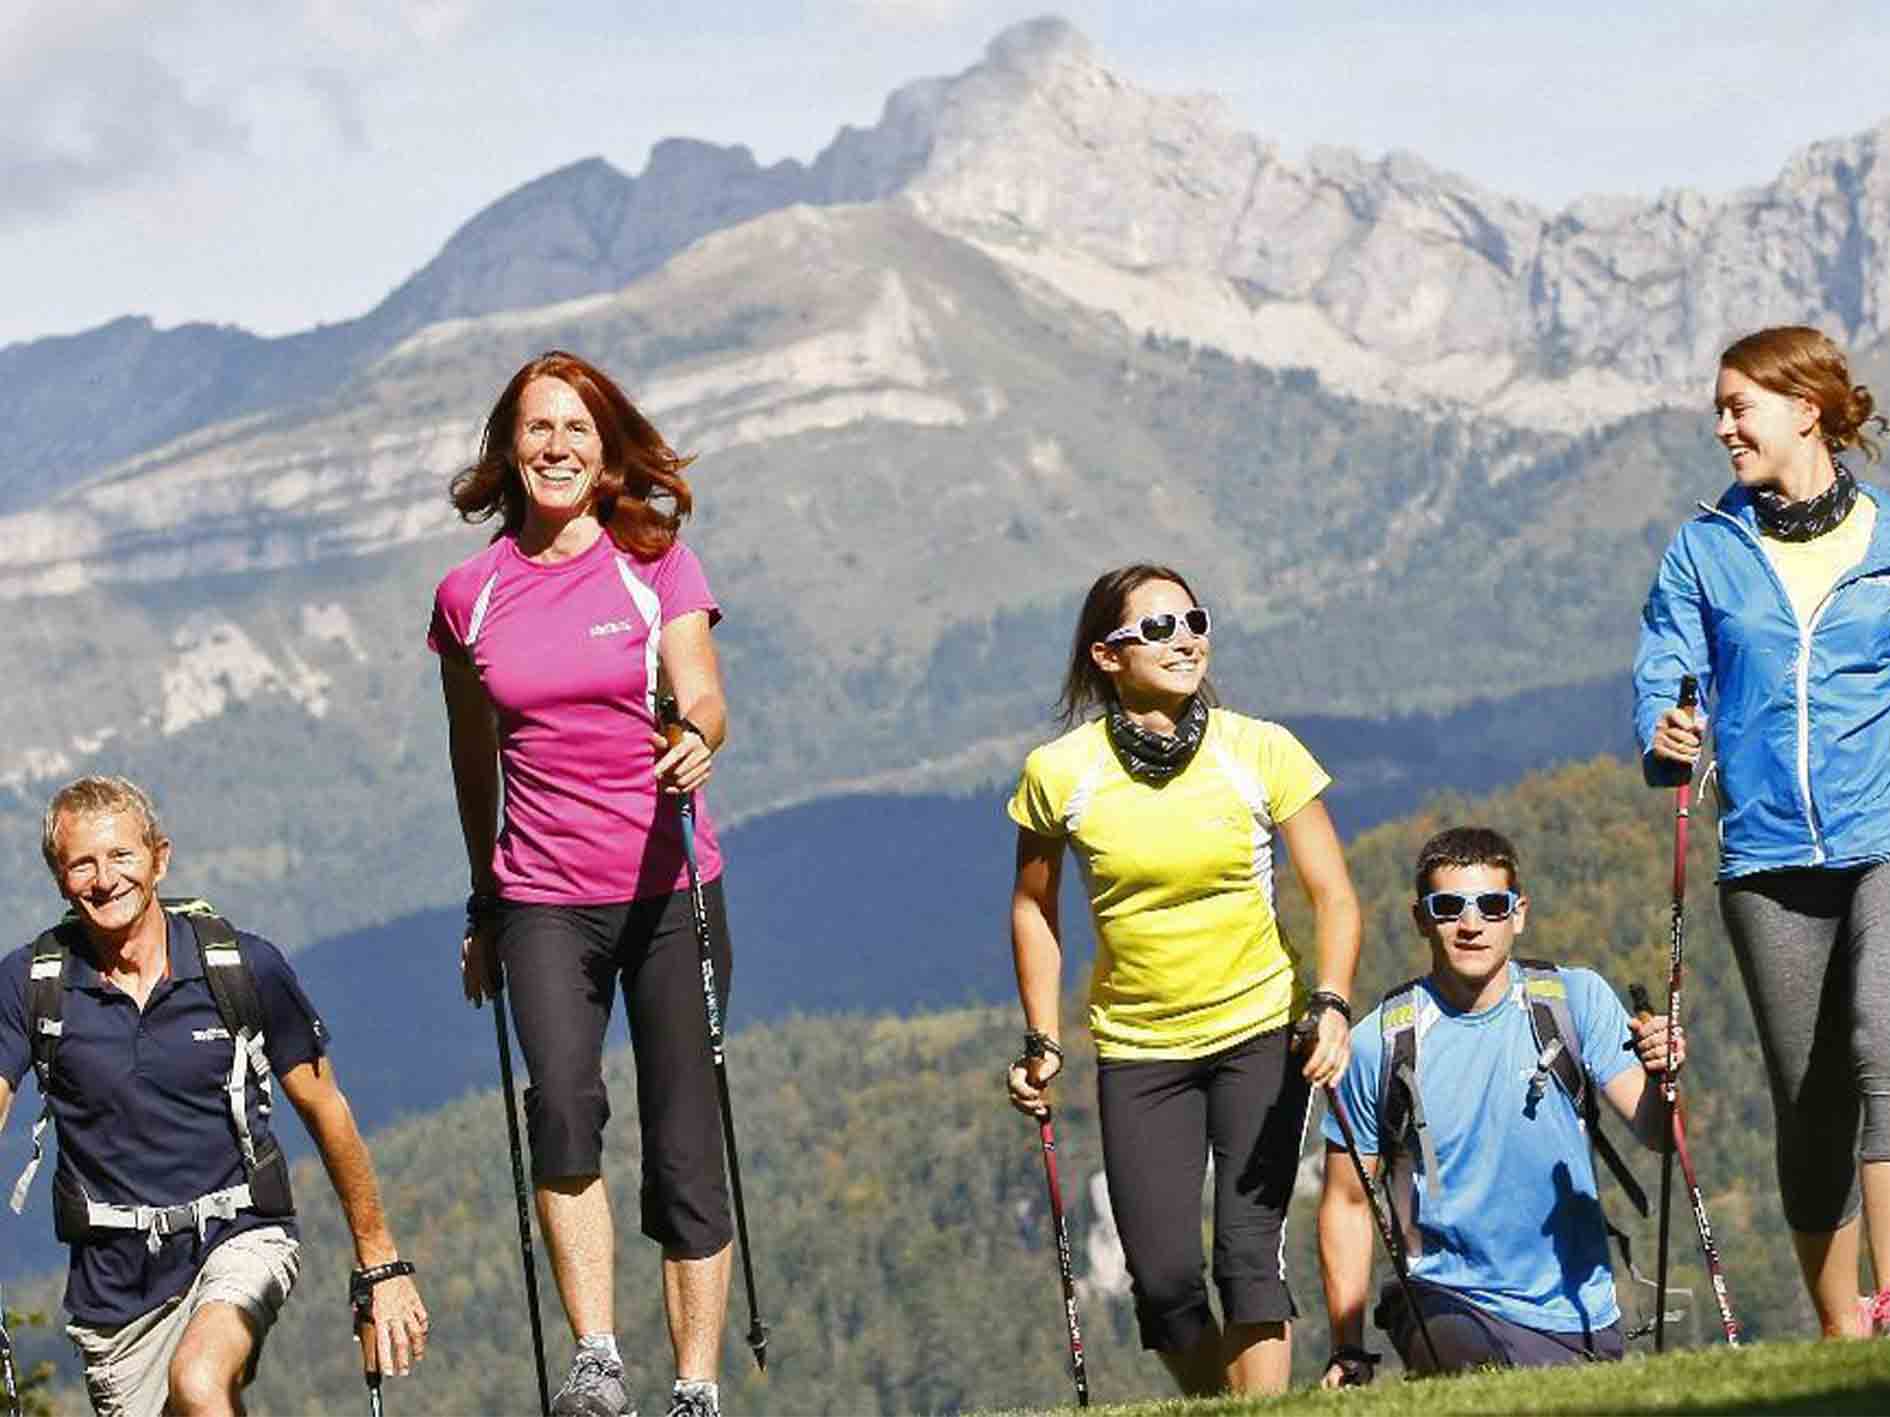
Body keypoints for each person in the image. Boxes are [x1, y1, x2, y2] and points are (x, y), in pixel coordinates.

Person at [431, 351, 735, 1417]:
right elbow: (476, 762)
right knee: (563, 1108)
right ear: (508, 449)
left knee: (687, 1144)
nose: (556, 446)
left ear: (606, 450)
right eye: (537, 429)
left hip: (670, 893)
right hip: (541, 899)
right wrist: (483, 904)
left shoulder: (655, 564)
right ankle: (598, 1360)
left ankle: (694, 1386)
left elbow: (703, 695)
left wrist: (695, 738)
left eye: (577, 429)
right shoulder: (469, 597)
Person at [1004, 563, 1361, 1397]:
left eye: (1193, 619)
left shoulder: (1260, 749)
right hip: (1139, 1048)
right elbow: (1032, 908)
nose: (1186, 638)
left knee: (1247, 1255)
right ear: (1106, 654)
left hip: (1261, 1034)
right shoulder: (1061, 773)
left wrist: (1333, 1004)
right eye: (1158, 627)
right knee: (1163, 1284)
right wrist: (1043, 1036)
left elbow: (1334, 894)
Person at [0, 775, 427, 1417]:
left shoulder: (241, 967)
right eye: (81, 863)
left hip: (240, 1234)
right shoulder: (32, 984)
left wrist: (380, 1262)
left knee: (200, 1378)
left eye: (122, 856)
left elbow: (325, 1109)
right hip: (114, 1293)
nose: (104, 878)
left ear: (159, 858)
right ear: (60, 880)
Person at [1635, 324, 1890, 1339]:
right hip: (1768, 857)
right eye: (1721, 406)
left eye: (1738, 405)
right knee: (1813, 1100)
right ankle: (1841, 1331)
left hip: (1883, 834)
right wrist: (1666, 726)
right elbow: (1665, 672)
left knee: (1884, 1048)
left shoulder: (1885, 538)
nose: (1723, 424)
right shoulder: (1705, 548)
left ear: (1806, 410)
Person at [1317, 826, 1681, 1384]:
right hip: (1444, 1299)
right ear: (1421, 919)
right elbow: (1346, 1201)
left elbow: (1658, 1133)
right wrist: (1348, 1349)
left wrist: (1664, 1077)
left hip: (1576, 1313)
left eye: (1491, 905)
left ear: (1519, 913)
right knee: (1464, 1369)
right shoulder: (1379, 1043)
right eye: (1449, 907)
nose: (1471, 924)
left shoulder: (1575, 1000)